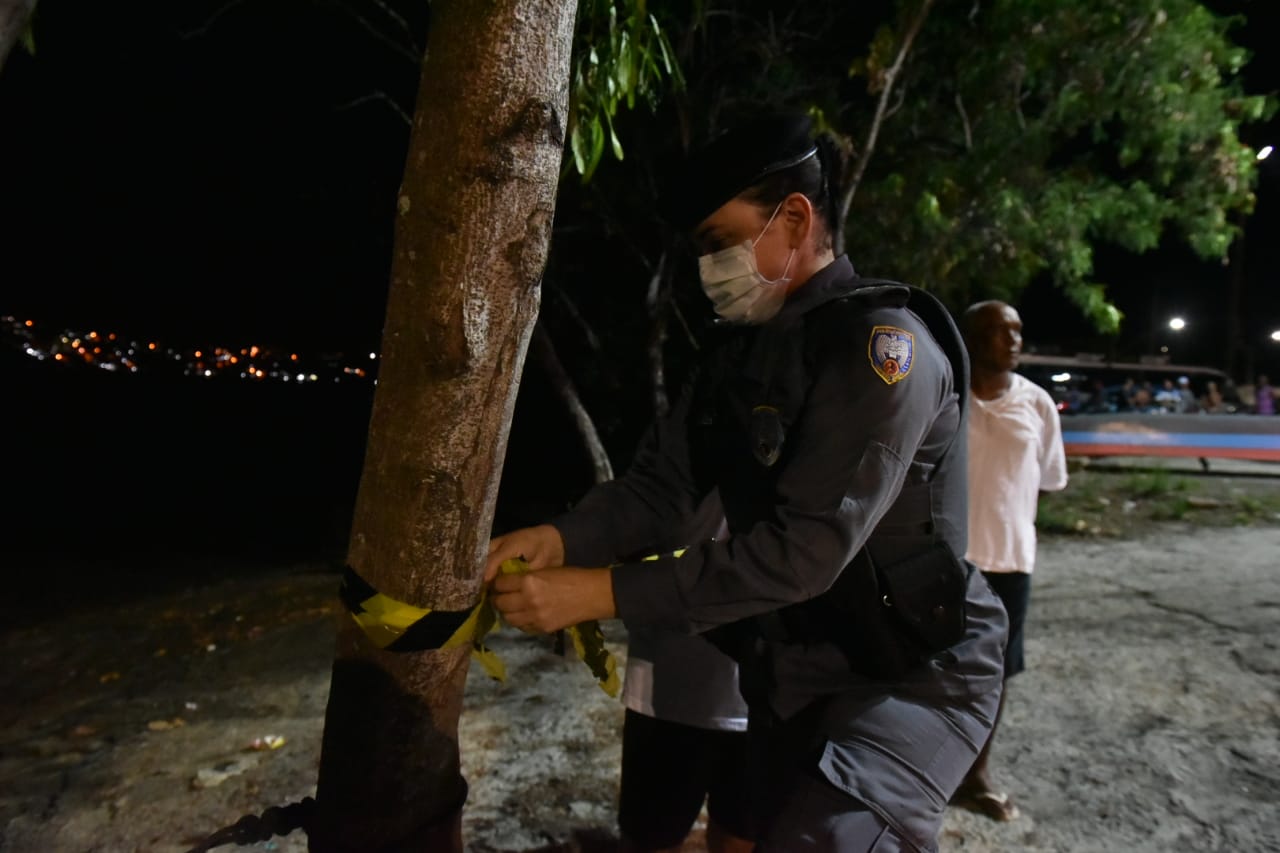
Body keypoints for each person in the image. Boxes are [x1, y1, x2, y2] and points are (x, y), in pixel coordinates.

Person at [486, 113, 1007, 850]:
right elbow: (658, 490)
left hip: (913, 671)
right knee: (746, 831)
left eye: (718, 242)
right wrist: (560, 536)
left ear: (795, 219)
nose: (708, 268)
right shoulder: (737, 360)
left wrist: (599, 591)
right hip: (797, 668)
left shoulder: (883, 351)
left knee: (821, 839)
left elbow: (804, 552)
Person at [956, 300, 1068, 821]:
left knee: (994, 675)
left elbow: (1045, 481)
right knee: (925, 666)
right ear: (972, 337)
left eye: (1018, 331)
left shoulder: (1038, 404)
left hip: (1008, 564)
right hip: (945, 561)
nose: (1014, 340)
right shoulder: (946, 396)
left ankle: (975, 774)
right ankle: (920, 772)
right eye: (1001, 331)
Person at [618, 491, 757, 853]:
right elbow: (642, 502)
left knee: (743, 833)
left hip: (775, 688)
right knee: (652, 835)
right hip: (670, 674)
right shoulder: (685, 437)